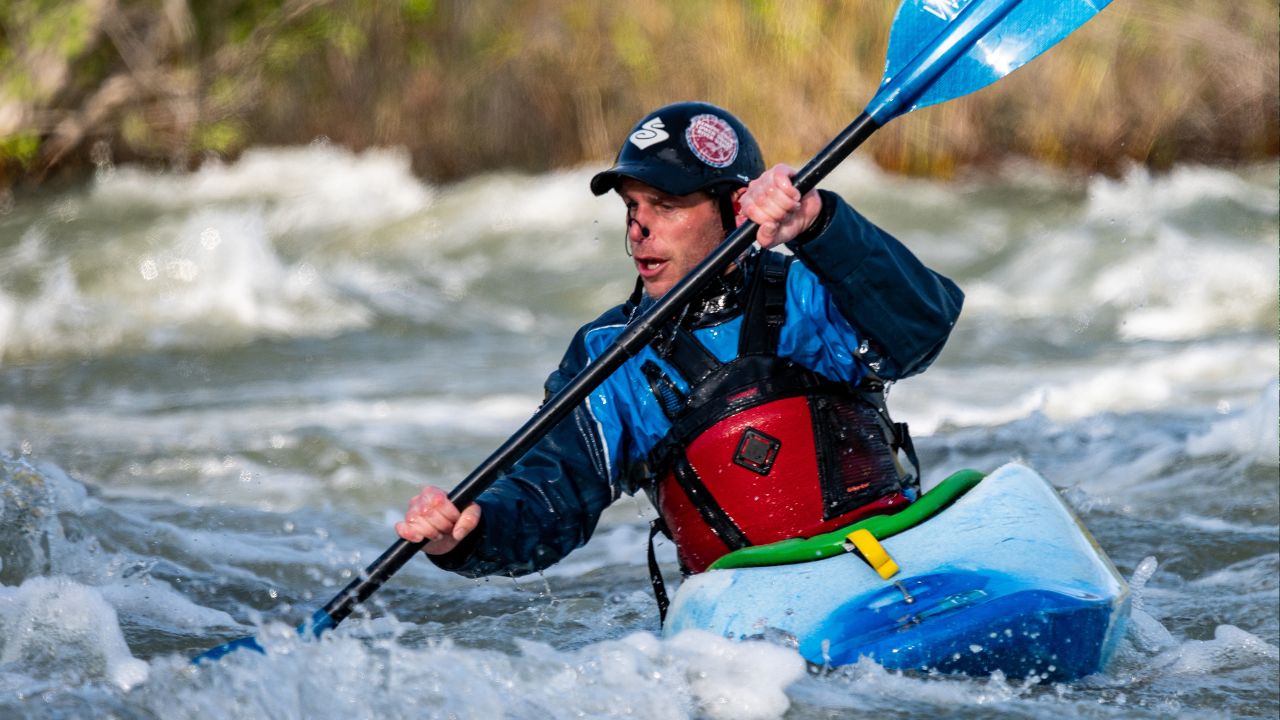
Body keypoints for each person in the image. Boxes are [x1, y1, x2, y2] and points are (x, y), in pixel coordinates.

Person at [396, 101, 963, 601]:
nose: (639, 227)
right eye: (632, 206)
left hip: (888, 558)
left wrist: (820, 223)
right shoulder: (609, 357)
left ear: (737, 208)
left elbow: (921, 331)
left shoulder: (809, 288)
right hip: (748, 610)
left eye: (665, 205)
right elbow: (554, 496)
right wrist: (471, 533)